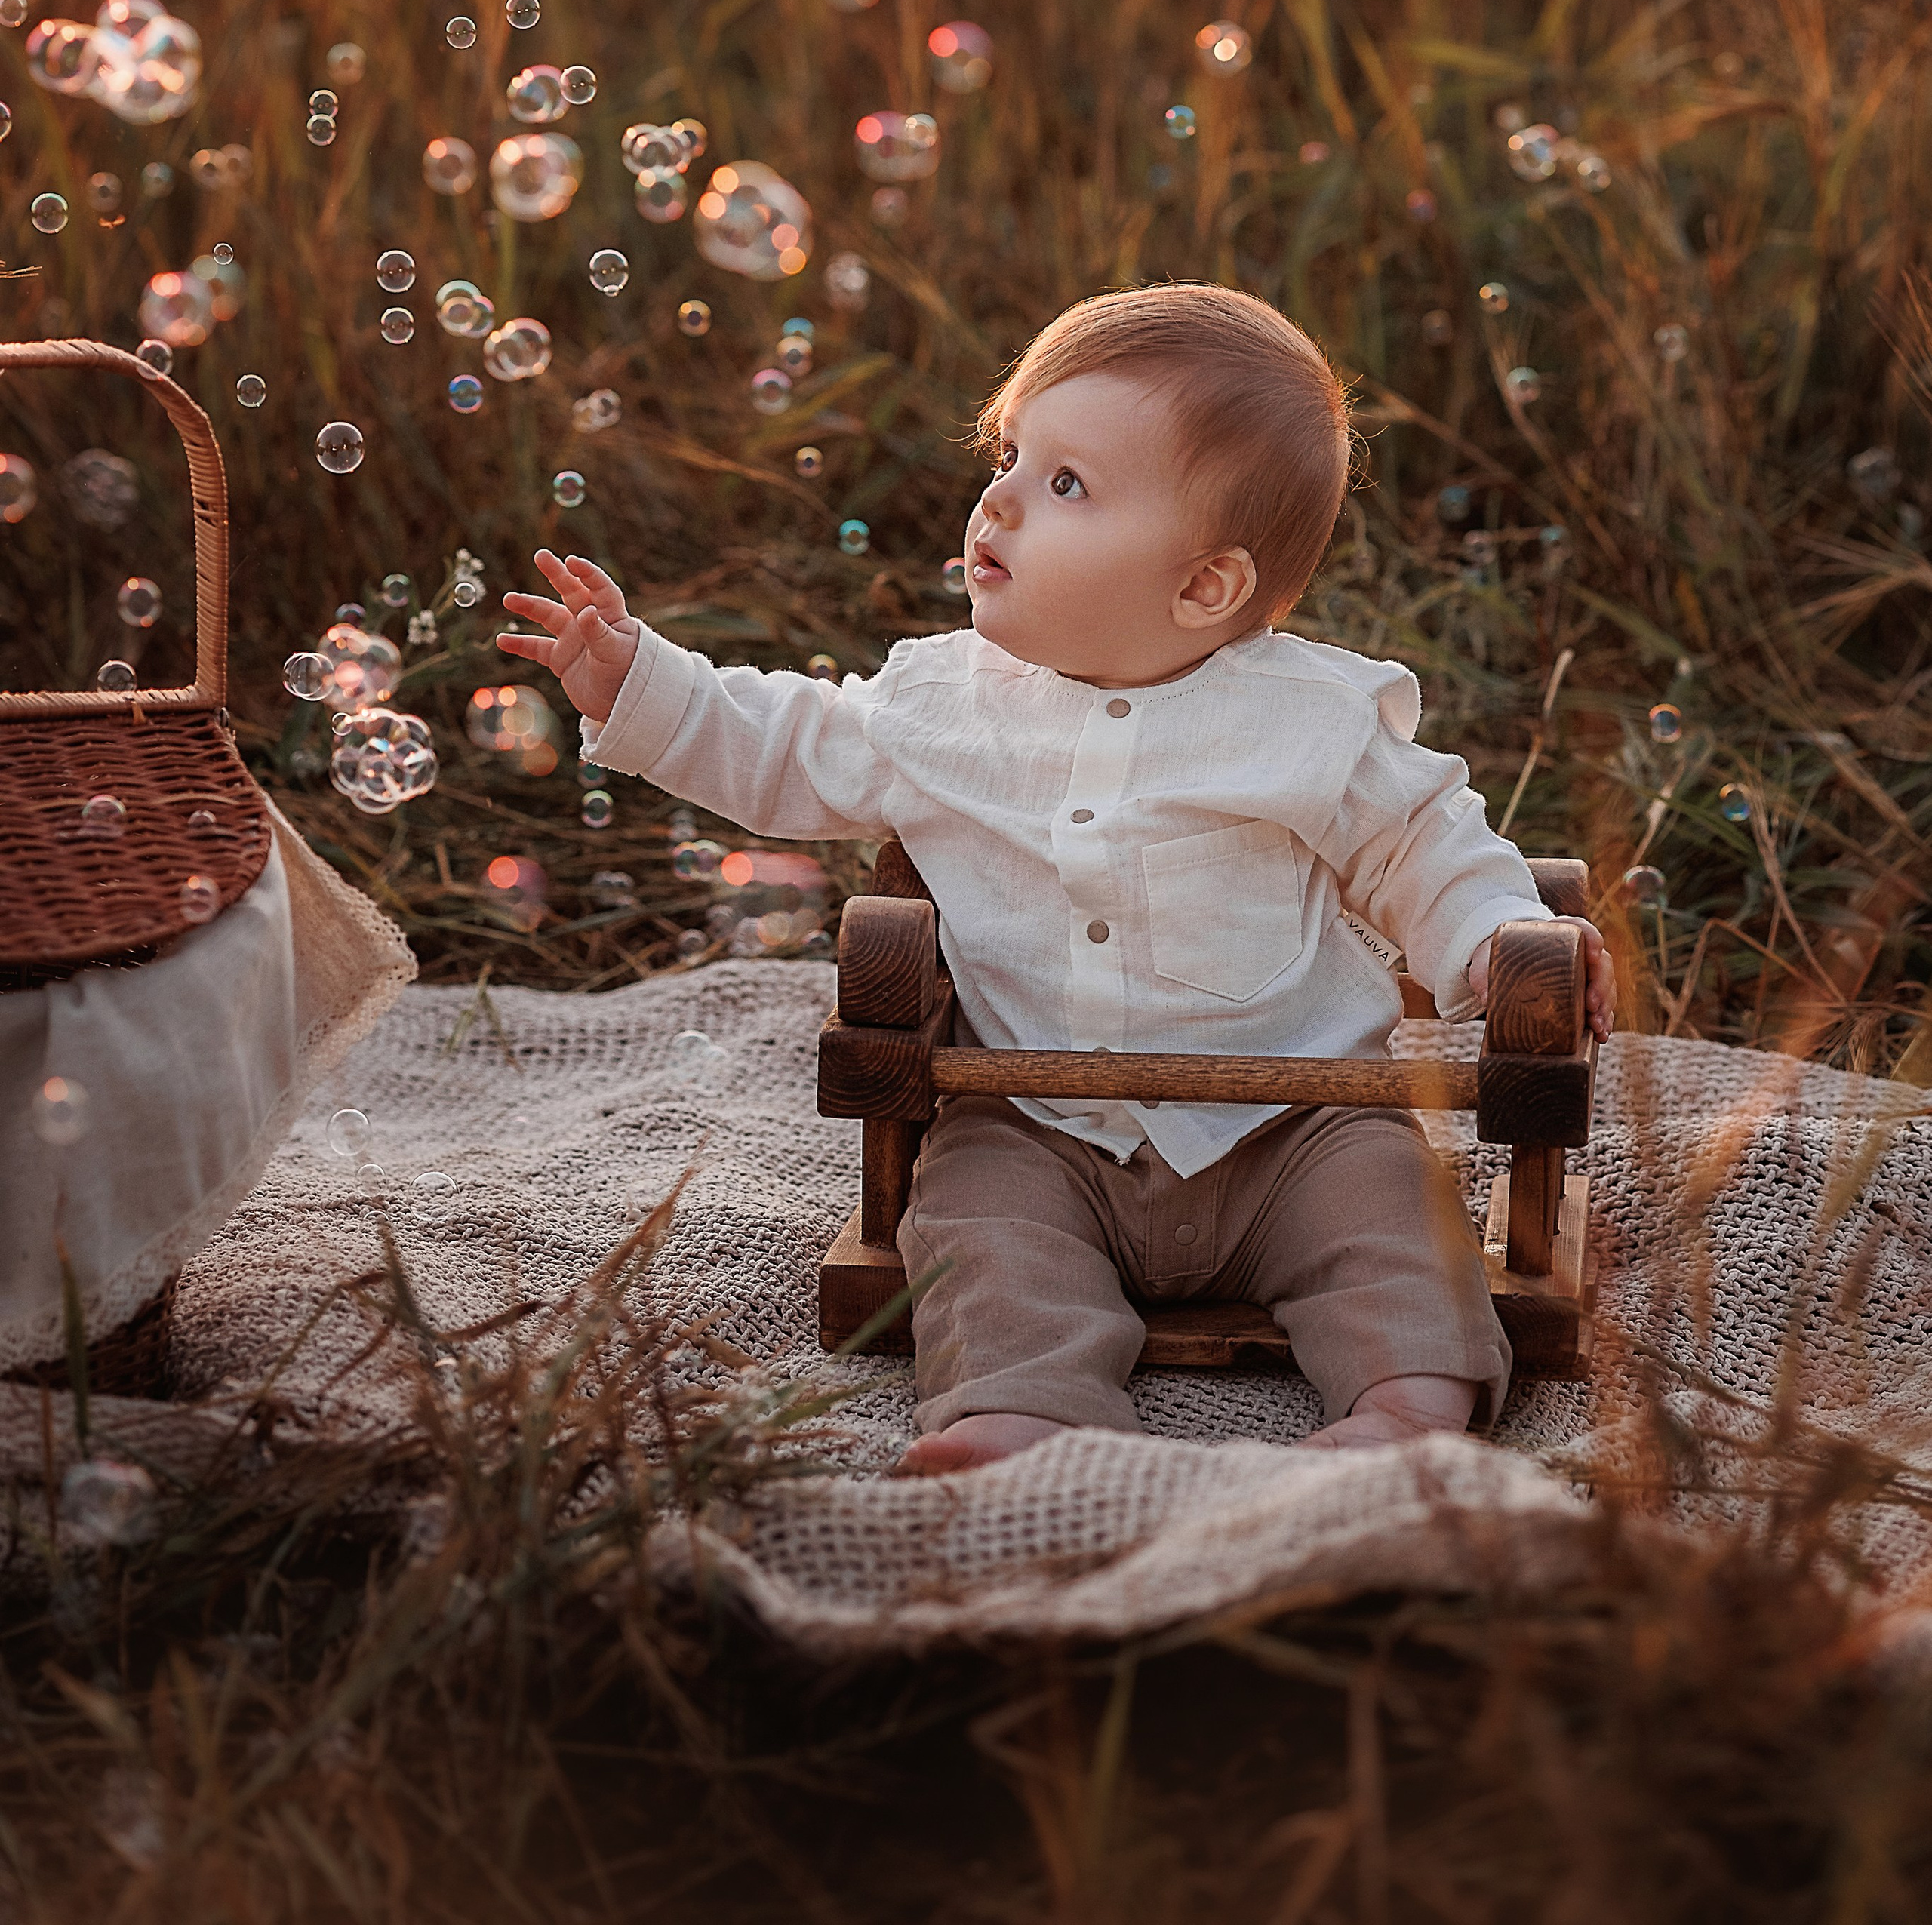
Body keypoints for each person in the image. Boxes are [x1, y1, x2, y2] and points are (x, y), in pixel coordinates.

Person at [498, 281, 1614, 1475]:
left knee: (1394, 1220)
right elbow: (785, 742)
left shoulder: (1311, 720)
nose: (1001, 499)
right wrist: (641, 683)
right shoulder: (938, 704)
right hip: (1033, 1121)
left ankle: (1404, 1407)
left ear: (1205, 587)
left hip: (1290, 1125)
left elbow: (1424, 844)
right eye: (1012, 455)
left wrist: (1497, 938)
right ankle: (1023, 1415)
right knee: (974, 1229)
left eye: (1065, 483)